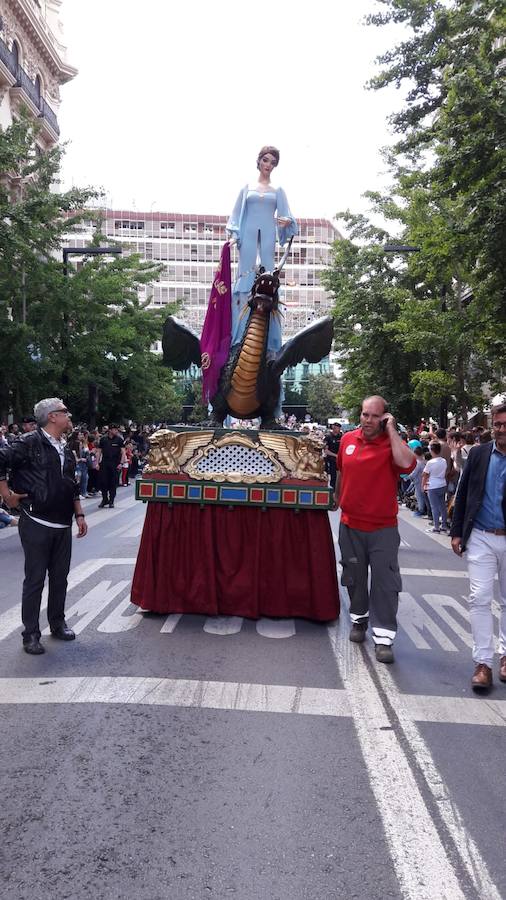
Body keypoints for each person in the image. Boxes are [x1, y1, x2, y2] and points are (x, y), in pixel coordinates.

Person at [0, 398, 87, 655]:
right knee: (36, 580)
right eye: (64, 412)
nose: (68, 415)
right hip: (36, 521)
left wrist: (80, 515)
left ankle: (57, 623)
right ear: (52, 417)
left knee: (60, 578)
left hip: (63, 524)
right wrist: (6, 495)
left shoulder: (66, 446)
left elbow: (71, 484)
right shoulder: (28, 443)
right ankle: (31, 634)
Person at [335, 395, 416, 663]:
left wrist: (392, 430)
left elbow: (406, 465)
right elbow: (341, 472)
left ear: (384, 417)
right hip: (350, 525)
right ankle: (359, 620)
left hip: (382, 528)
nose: (368, 420)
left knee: (385, 582)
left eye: (374, 416)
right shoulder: (347, 440)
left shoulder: (392, 444)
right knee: (353, 576)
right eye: (364, 414)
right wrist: (337, 498)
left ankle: (384, 637)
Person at [450, 403, 506, 691]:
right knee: (479, 597)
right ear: (491, 426)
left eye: (505, 424)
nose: (501, 430)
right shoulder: (479, 454)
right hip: (481, 535)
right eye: (497, 424)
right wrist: (457, 532)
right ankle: (483, 663)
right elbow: (463, 494)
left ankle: (505, 656)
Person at [227, 145, 298, 353]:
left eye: (273, 163)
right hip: (247, 236)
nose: (268, 165)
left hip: (268, 235)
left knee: (268, 275)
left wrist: (285, 222)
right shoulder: (246, 188)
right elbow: (235, 216)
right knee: (244, 276)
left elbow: (289, 218)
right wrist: (233, 236)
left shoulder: (278, 191)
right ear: (259, 161)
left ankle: (270, 343)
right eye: (266, 160)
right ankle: (238, 337)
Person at [422, 441, 448, 533]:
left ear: (432, 451)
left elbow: (425, 475)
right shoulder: (444, 460)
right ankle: (444, 525)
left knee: (434, 507)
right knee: (442, 506)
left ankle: (436, 526)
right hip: (442, 484)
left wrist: (423, 486)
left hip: (433, 485)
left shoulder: (430, 462)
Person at [98, 424, 124, 508]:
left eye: (117, 429)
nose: (116, 431)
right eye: (114, 429)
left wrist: (121, 463)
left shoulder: (119, 440)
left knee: (113, 482)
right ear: (110, 430)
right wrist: (97, 463)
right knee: (103, 482)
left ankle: (111, 500)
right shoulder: (103, 439)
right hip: (105, 463)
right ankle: (104, 499)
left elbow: (123, 452)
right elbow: (99, 451)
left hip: (115, 463)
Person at [324, 422, 342, 490]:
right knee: (333, 476)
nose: (336, 429)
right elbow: (326, 450)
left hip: (340, 459)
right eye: (334, 427)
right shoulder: (328, 437)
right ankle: (333, 490)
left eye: (337, 428)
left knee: (340, 476)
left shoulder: (341, 436)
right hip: (331, 459)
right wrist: (336, 455)